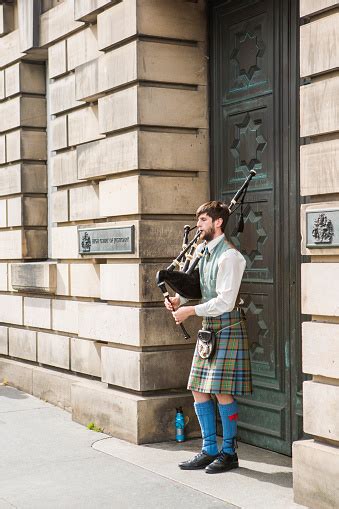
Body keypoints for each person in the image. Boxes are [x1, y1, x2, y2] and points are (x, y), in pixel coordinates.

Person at [164, 200, 252, 474]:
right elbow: (201, 287)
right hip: (209, 327)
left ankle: (229, 453)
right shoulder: (205, 252)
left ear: (218, 222)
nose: (198, 226)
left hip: (226, 325)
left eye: (203, 220)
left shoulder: (231, 257)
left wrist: (190, 311)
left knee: (222, 391)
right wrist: (179, 300)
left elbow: (225, 301)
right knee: (198, 388)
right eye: (198, 220)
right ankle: (208, 449)